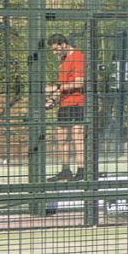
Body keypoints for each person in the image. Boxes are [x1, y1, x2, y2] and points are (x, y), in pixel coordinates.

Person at [44, 32, 85, 181]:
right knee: (61, 137)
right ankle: (65, 170)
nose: (55, 53)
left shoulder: (78, 57)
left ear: (64, 45)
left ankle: (81, 171)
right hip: (64, 103)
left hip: (77, 102)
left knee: (77, 136)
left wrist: (54, 88)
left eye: (56, 49)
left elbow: (79, 82)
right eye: (53, 50)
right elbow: (62, 85)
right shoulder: (63, 60)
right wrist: (52, 99)